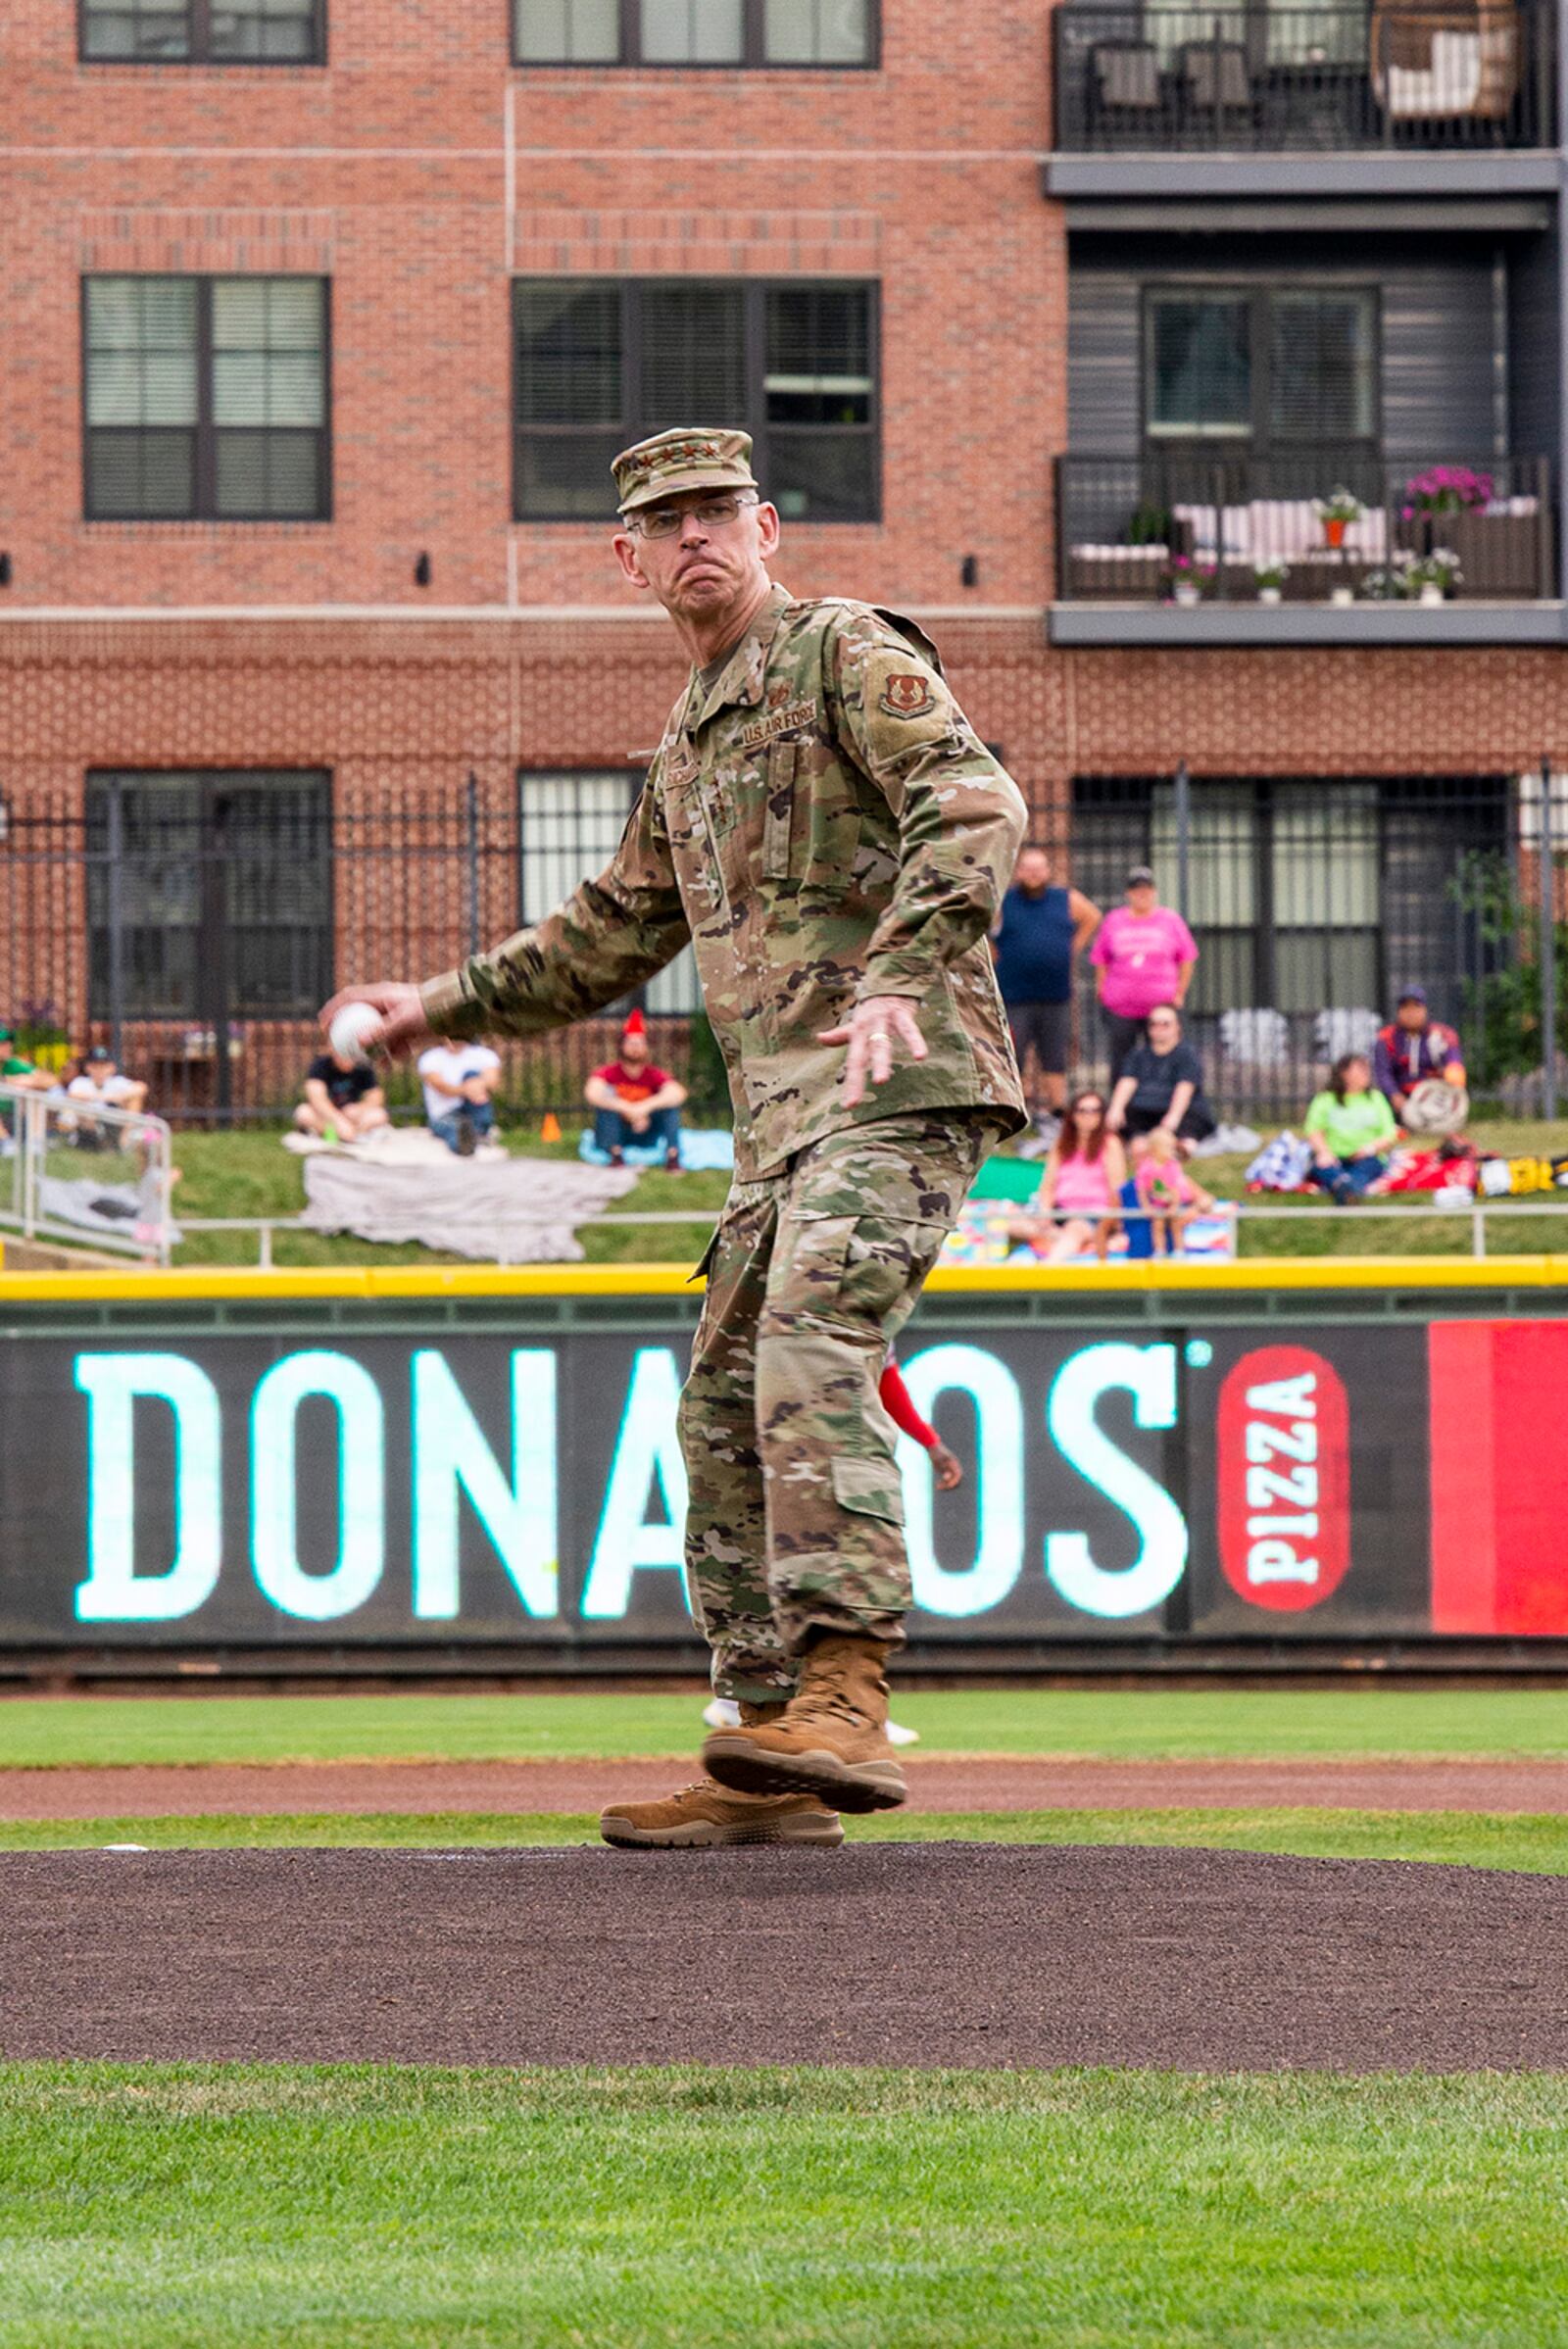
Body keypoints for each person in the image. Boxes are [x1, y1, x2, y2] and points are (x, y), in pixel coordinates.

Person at [323, 422, 1027, 1850]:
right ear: (628, 556)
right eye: (668, 518)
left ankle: (845, 1686)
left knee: (809, 1334)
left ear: (766, 529)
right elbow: (609, 931)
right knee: (714, 1408)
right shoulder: (688, 738)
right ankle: (764, 1749)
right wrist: (433, 1010)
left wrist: (901, 969)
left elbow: (975, 802)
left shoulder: (840, 651)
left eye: (720, 509)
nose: (696, 534)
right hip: (781, 1130)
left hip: (903, 1082)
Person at [990, 845, 1100, 1131]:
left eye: (1039, 868)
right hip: (1014, 995)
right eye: (1028, 868)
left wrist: (1071, 949)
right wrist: (996, 957)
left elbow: (1093, 917)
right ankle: (1015, 1112)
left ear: (1048, 871)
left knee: (1055, 1056)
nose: (1034, 873)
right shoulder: (1005, 900)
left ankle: (1055, 1113)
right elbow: (982, 929)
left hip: (1055, 995)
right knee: (1013, 1054)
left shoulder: (1065, 899)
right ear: (1019, 871)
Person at [1090, 865, 1199, 1077]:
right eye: (1136, 889)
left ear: (1154, 892)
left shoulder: (1170, 920)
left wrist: (1179, 992)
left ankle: (1159, 1101)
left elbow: (1187, 958)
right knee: (1121, 1058)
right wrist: (1101, 989)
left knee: (1162, 1055)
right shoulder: (1114, 920)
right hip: (1121, 1005)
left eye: (1147, 889)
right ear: (1128, 893)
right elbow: (1101, 958)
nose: (1142, 894)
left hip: (1160, 1004)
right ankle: (1122, 1106)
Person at [1007, 1088, 1125, 1263]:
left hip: (1094, 1214)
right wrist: (1045, 1214)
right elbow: (1048, 1186)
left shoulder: (1110, 1144)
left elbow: (1117, 1190)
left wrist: (1112, 1224)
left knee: (1075, 1230)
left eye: (1094, 1111)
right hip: (1061, 1212)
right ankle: (1063, 1237)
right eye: (1082, 1110)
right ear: (1073, 1115)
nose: (1088, 1116)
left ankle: (1046, 1271)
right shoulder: (1061, 1145)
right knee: (1010, 1222)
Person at [585, 1008, 688, 1169]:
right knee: (607, 1100)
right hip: (617, 1131)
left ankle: (673, 1157)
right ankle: (616, 1155)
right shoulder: (608, 1072)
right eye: (631, 1043)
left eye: (640, 1043)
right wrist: (627, 1108)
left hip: (646, 1131)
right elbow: (592, 1093)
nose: (635, 1047)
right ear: (622, 1046)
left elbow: (678, 1093)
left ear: (646, 1047)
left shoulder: (653, 1074)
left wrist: (645, 1108)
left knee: (670, 1105)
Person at [1105, 1003, 1216, 1149]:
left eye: (1165, 1024)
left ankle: (1180, 1147)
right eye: (1154, 1024)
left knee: (1193, 1122)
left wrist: (1173, 1117)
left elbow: (1185, 1088)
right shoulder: (1138, 1054)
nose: (1159, 1029)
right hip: (1144, 1110)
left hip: (1178, 1111)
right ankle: (1140, 1144)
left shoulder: (1187, 1054)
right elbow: (1127, 1082)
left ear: (1177, 1026)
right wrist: (1116, 1108)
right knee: (1122, 1119)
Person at [1304, 1052, 1398, 1200]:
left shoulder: (1376, 1098)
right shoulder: (1325, 1099)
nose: (1366, 1073)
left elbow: (1389, 1133)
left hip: (1367, 1157)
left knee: (1366, 1168)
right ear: (1344, 1073)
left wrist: (1369, 1149)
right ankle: (1343, 1186)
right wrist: (1324, 1152)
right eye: (1360, 1068)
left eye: (1367, 1069)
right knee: (1323, 1167)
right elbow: (1314, 1130)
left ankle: (1350, 1189)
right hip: (1333, 1156)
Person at [1373, 989, 1466, 1124]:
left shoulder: (1442, 1034)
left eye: (1416, 1007)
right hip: (1401, 1096)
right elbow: (1383, 1072)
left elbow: (1453, 1060)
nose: (1411, 1013)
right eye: (1405, 1008)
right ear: (1399, 1012)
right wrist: (1393, 1094)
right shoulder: (1386, 1037)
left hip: (1435, 1094)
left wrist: (1453, 1071)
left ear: (1425, 1010)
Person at [1135, 1126, 1216, 1255]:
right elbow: (1143, 1189)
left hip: (1175, 1200)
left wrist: (1174, 1205)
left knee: (1176, 1223)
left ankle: (1179, 1251)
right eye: (1167, 1147)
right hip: (1159, 1201)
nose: (1171, 1151)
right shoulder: (1147, 1168)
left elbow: (1175, 1189)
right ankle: (1159, 1251)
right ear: (1155, 1149)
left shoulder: (1172, 1166)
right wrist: (1146, 1206)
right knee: (1157, 1224)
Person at [418, 1035, 502, 1156]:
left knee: (472, 1074)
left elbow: (492, 1080)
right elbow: (440, 1086)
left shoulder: (484, 1055)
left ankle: (478, 1131)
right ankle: (464, 1143)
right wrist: (468, 1089)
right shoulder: (431, 1058)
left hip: (471, 1110)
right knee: (453, 1128)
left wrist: (477, 1085)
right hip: (445, 1114)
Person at [293, 1042, 389, 1146]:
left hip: (351, 1116)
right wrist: (338, 1121)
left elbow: (376, 1096)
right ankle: (345, 1135)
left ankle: (348, 1134)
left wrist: (360, 1108)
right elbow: (317, 1099)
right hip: (327, 1117)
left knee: (379, 1115)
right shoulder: (320, 1065)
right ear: (333, 1051)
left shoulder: (363, 1066)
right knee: (303, 1112)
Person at [64, 1045, 149, 1147]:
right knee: (84, 1113)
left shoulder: (116, 1082)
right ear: (87, 1067)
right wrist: (104, 1097)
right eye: (95, 1066)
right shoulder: (81, 1082)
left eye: (104, 1066)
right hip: (88, 1127)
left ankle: (124, 1140)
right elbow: (72, 1095)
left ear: (112, 1068)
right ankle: (99, 1141)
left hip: (112, 1124)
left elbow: (142, 1088)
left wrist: (120, 1097)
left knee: (134, 1100)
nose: (100, 1070)